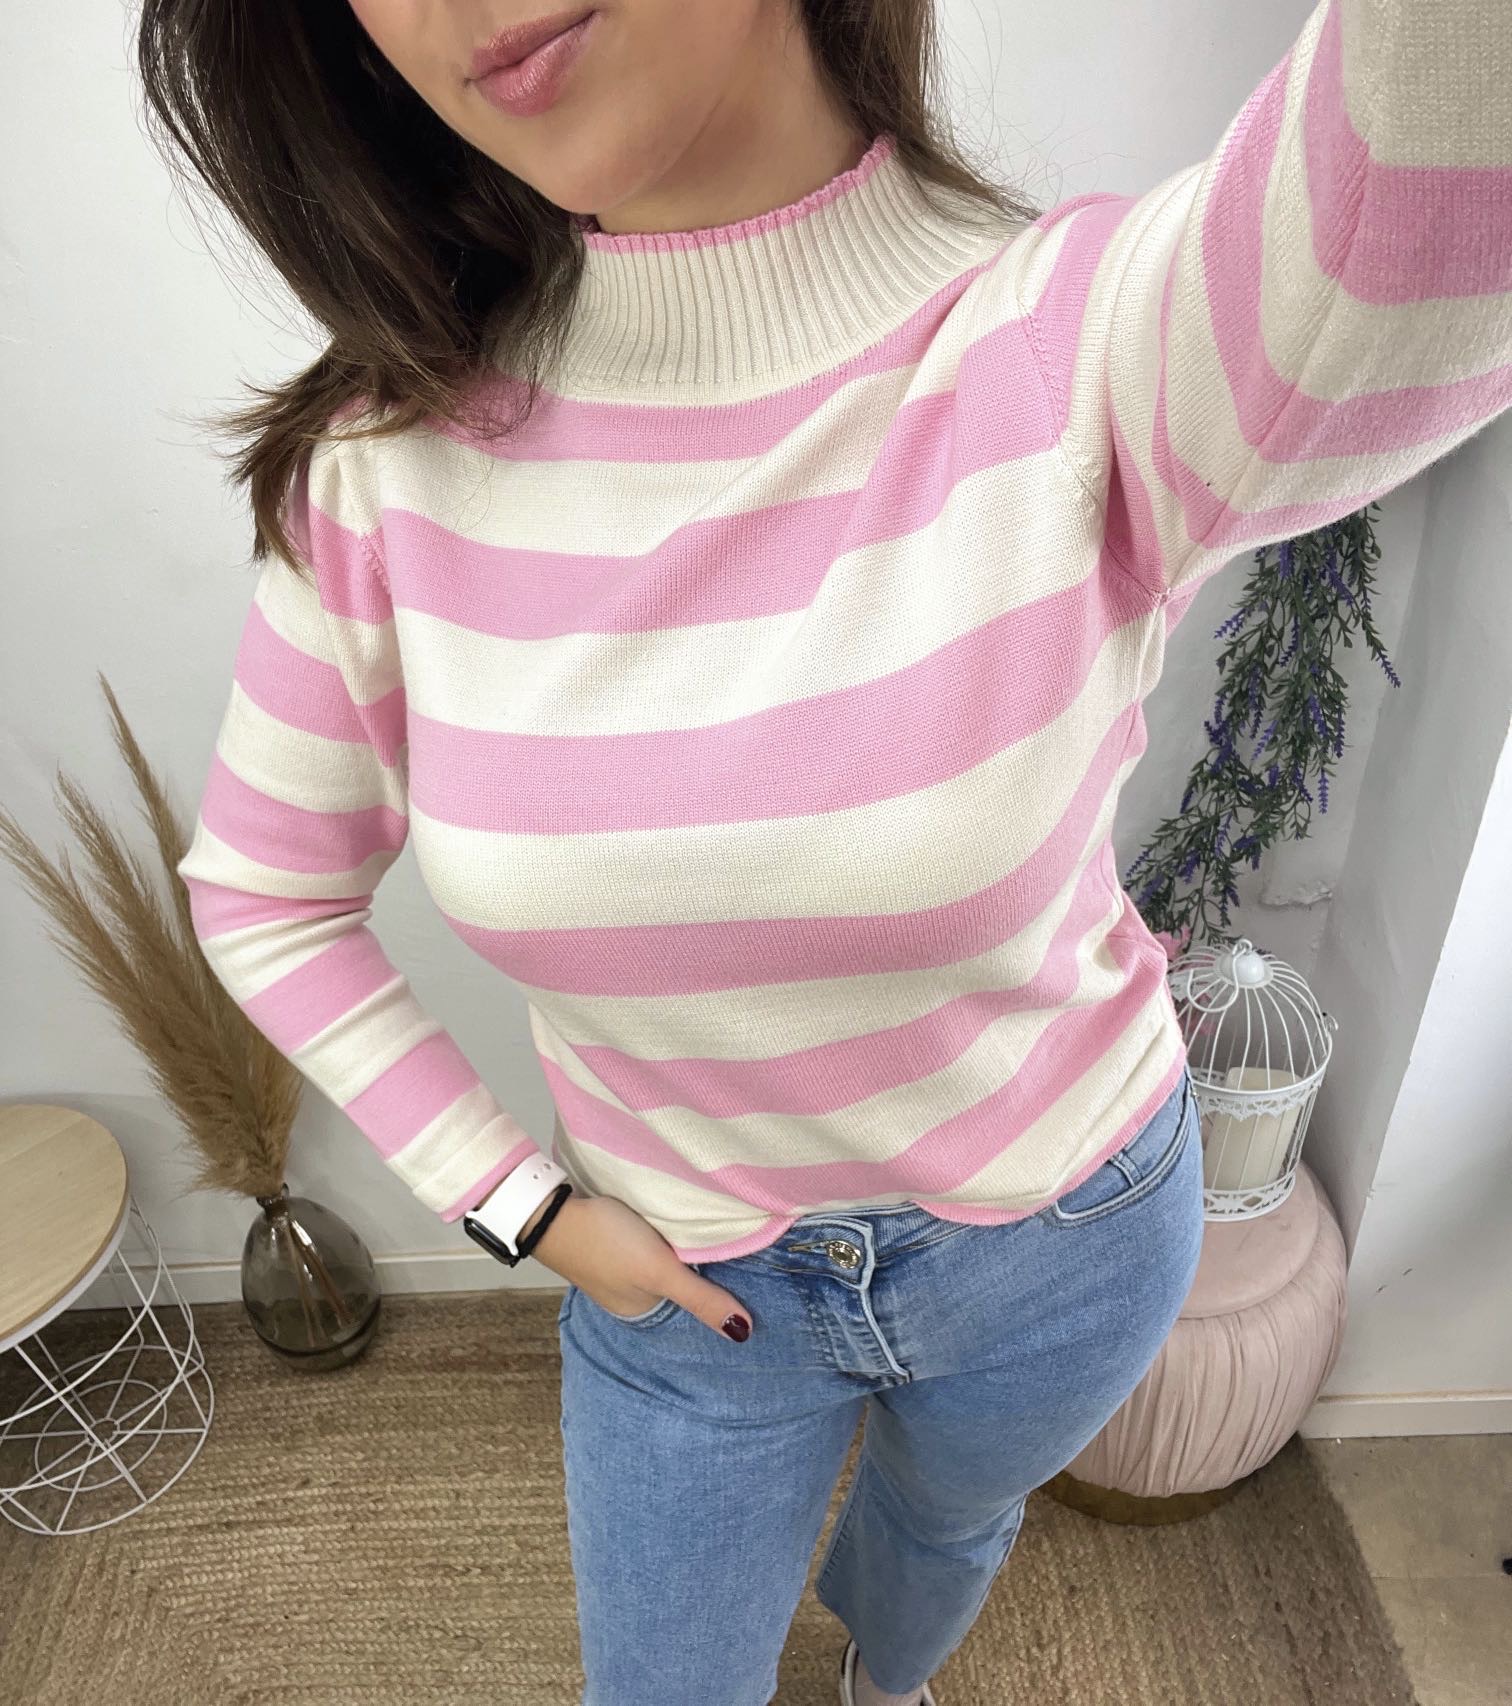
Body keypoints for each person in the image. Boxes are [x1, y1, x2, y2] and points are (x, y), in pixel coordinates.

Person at [141, 0, 1511, 1700]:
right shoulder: (382, 466)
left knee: (942, 1539)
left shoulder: (1081, 349)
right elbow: (265, 895)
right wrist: (523, 1207)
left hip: (1068, 1234)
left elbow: (1442, 160)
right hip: (685, 1290)